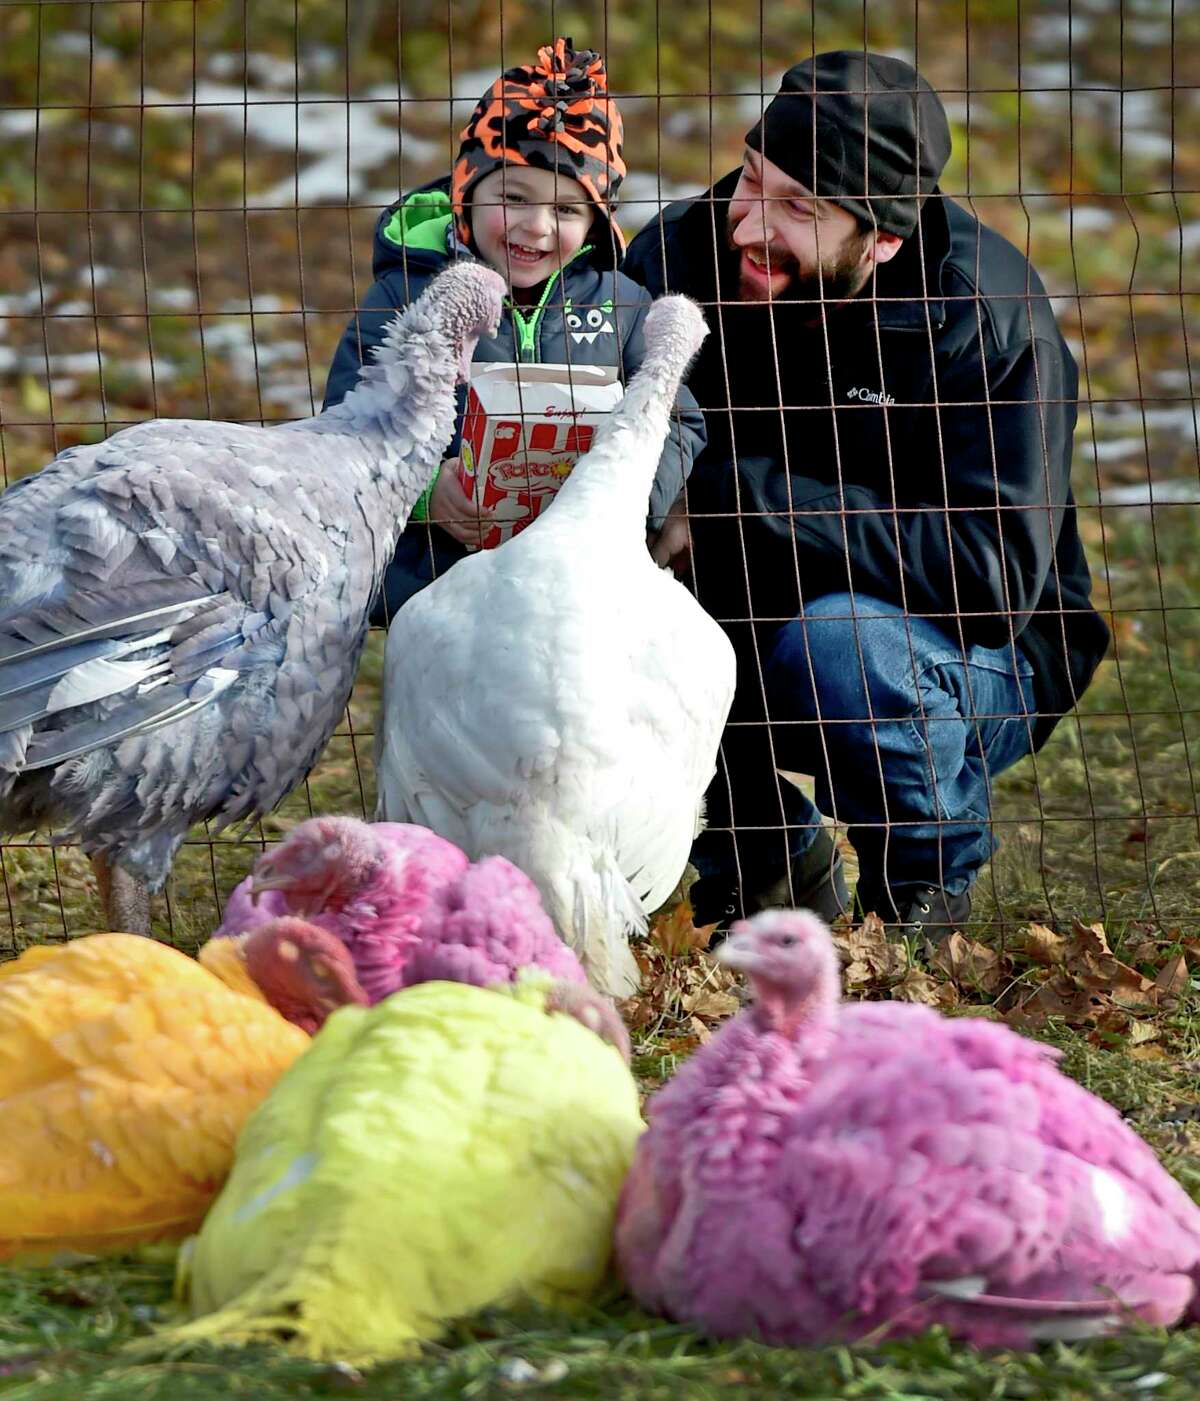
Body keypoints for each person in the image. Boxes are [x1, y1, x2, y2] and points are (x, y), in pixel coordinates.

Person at [624, 51, 1110, 939]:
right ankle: (762, 861)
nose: (746, 226)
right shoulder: (676, 259)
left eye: (799, 210)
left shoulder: (981, 318)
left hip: (974, 656)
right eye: (753, 179)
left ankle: (920, 899)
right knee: (624, 615)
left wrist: (746, 503)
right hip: (752, 623)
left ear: (881, 238)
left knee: (843, 645)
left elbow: (994, 576)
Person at [323, 38, 705, 623]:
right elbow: (348, 425)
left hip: (579, 582)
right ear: (466, 191)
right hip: (436, 583)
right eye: (512, 195)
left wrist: (621, 499)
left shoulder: (623, 304)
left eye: (567, 210)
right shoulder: (407, 295)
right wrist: (427, 492)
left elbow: (679, 420)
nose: (536, 226)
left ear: (597, 222)